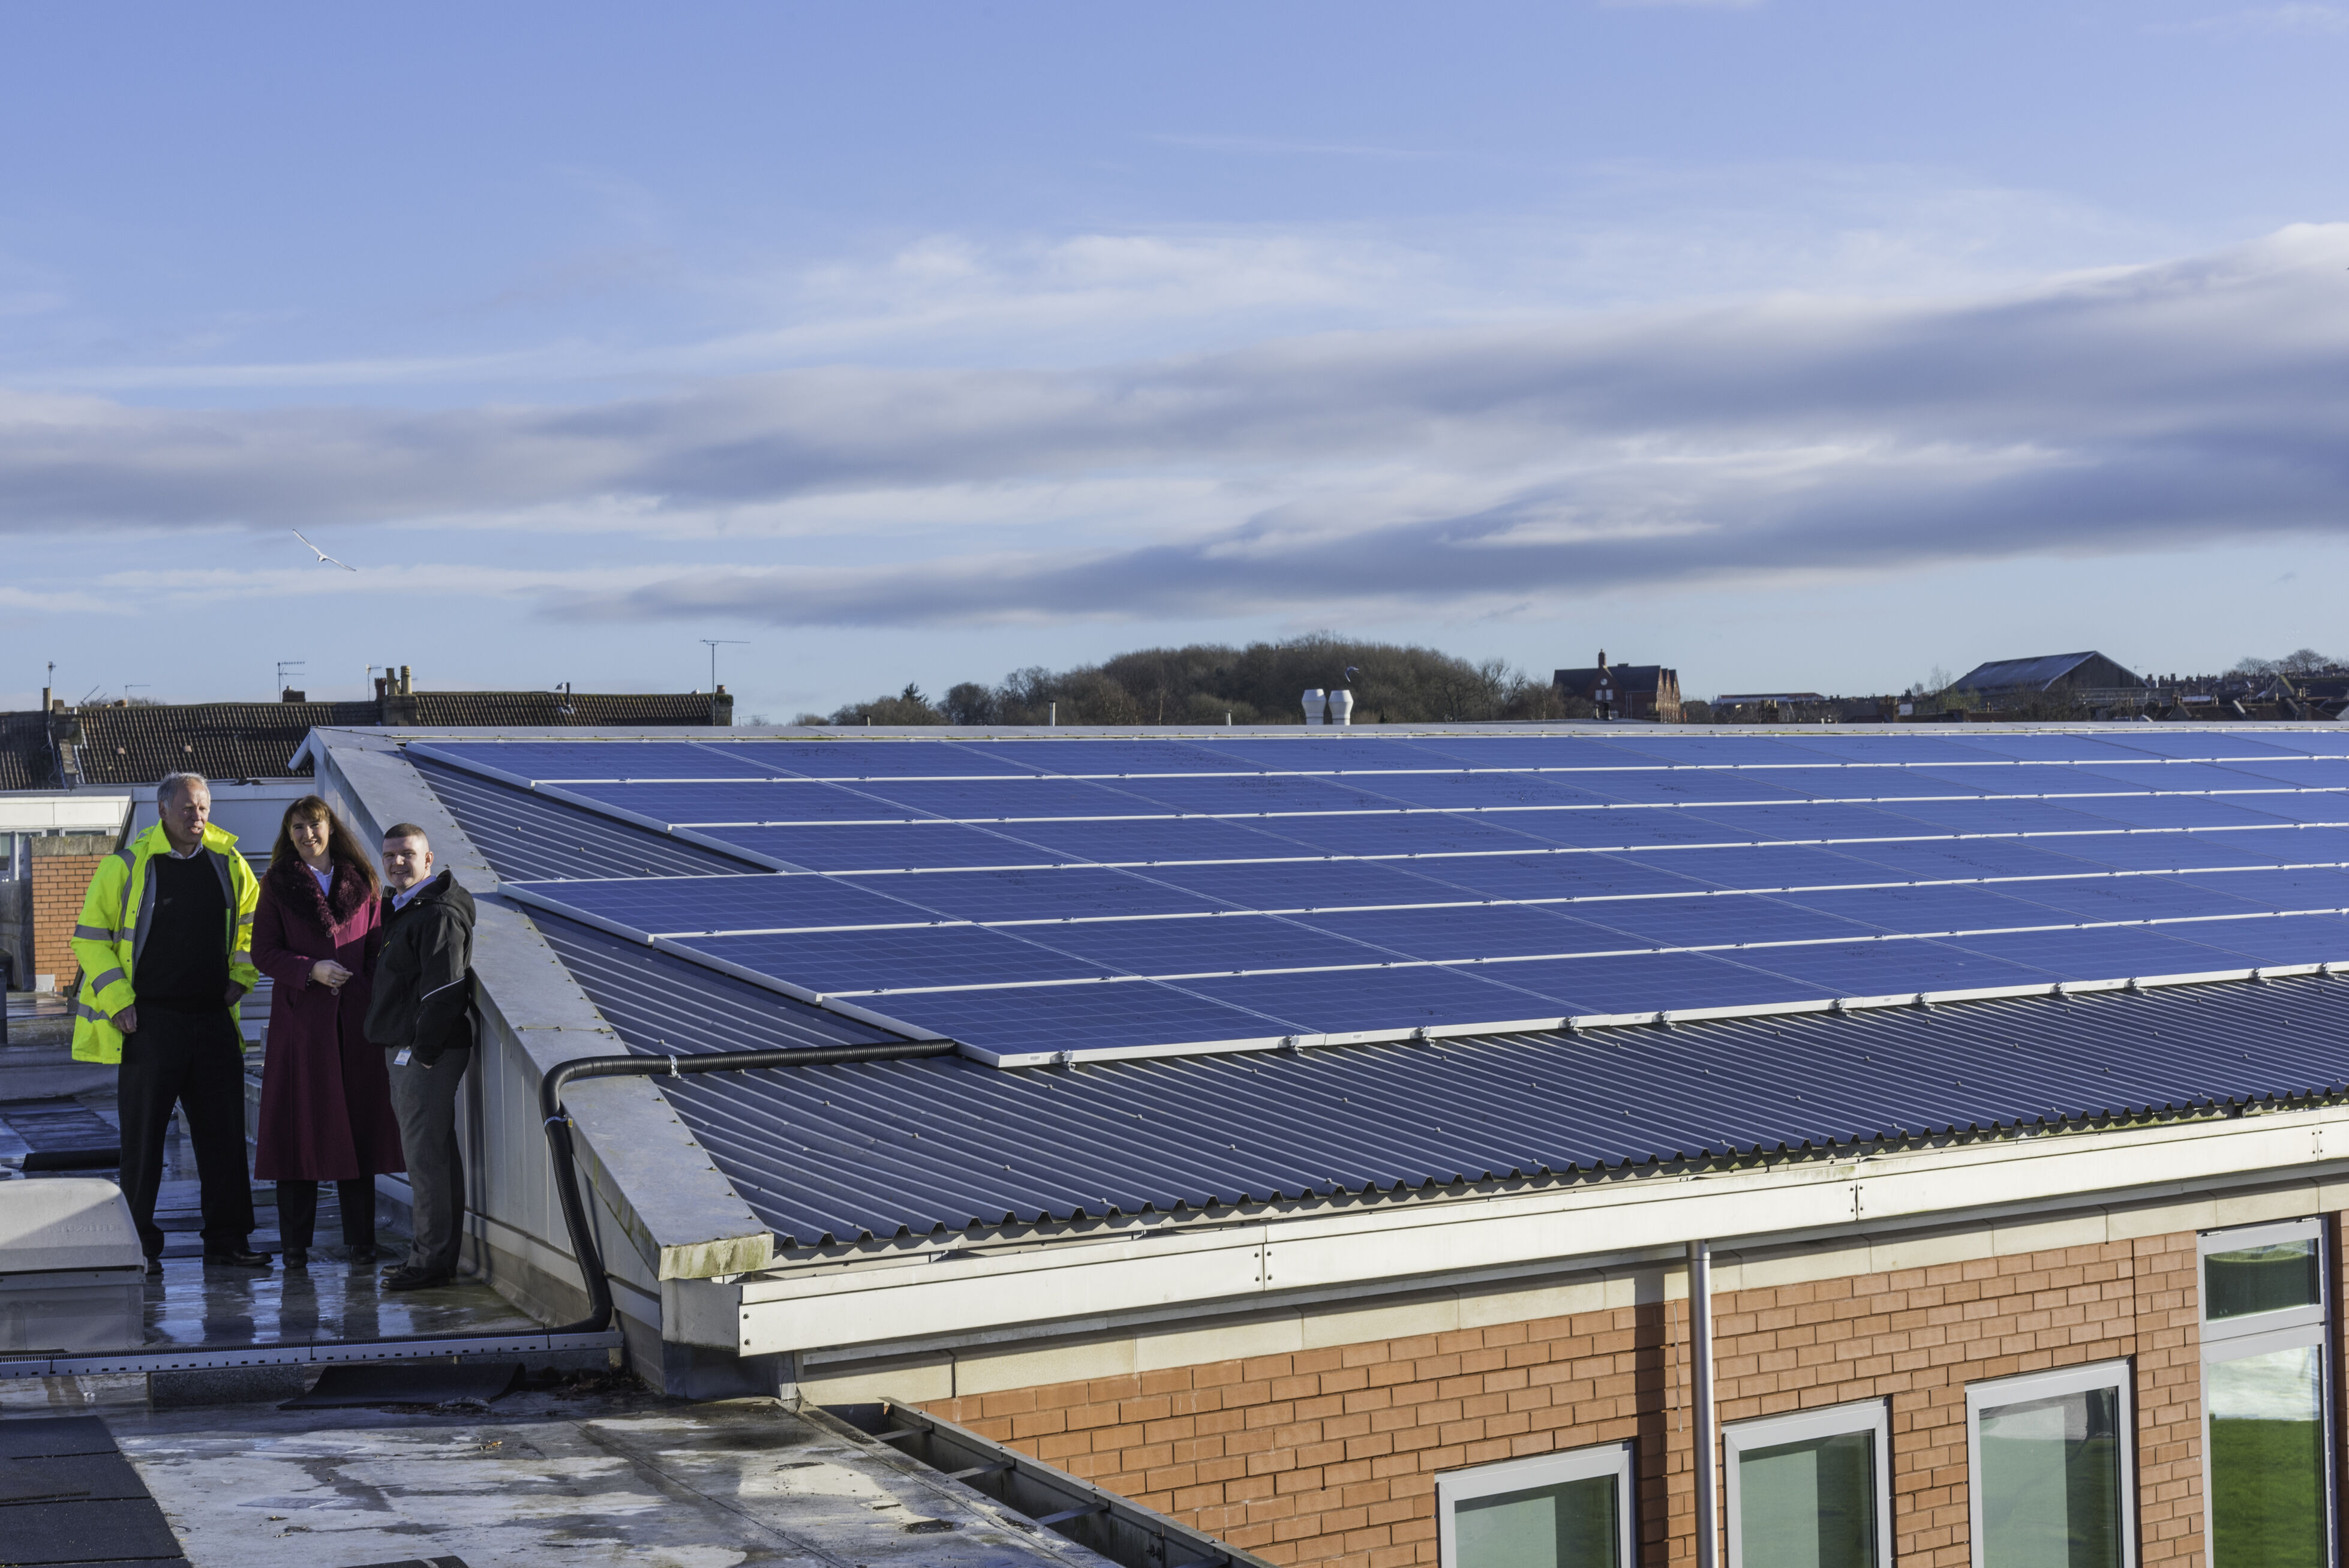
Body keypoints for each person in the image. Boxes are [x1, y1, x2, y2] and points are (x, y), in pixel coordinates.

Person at [69, 773, 266, 1273]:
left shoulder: (229, 862)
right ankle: (139, 1246)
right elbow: (89, 938)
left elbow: (253, 924)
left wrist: (241, 978)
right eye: (187, 808)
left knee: (224, 1138)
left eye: (203, 808)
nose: (197, 817)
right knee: (143, 1143)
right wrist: (118, 1001)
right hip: (149, 1023)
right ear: (162, 811)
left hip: (213, 1019)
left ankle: (227, 1242)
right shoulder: (126, 866)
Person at [250, 797, 404, 1267]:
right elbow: (263, 951)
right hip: (301, 1026)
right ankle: (295, 1246)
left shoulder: (364, 881)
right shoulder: (277, 884)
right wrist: (310, 969)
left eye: (314, 825)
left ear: (330, 827)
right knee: (297, 1132)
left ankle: (362, 1241)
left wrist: (367, 989)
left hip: (356, 1024)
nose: (307, 835)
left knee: (357, 1130)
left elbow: (379, 947)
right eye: (297, 827)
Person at [365, 822, 477, 1290]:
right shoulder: (406, 906)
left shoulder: (437, 914)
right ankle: (436, 1258)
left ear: (428, 859)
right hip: (414, 1048)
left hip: (427, 1052)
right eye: (389, 856)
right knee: (435, 1157)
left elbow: (445, 990)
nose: (396, 863)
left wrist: (423, 1054)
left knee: (425, 1161)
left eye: (407, 854)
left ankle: (428, 1262)